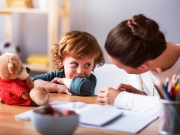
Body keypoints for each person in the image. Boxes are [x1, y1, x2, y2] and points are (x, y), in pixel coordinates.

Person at [97, 14, 180, 116]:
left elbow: (175, 111)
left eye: (121, 67)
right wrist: (141, 97)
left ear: (142, 67)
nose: (119, 69)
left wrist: (121, 99)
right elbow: (164, 103)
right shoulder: (145, 53)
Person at [31, 31, 105, 96]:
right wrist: (57, 87)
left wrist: (63, 81)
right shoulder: (57, 75)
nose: (80, 71)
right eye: (75, 64)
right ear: (61, 60)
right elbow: (30, 82)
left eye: (87, 65)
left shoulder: (90, 79)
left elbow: (82, 87)